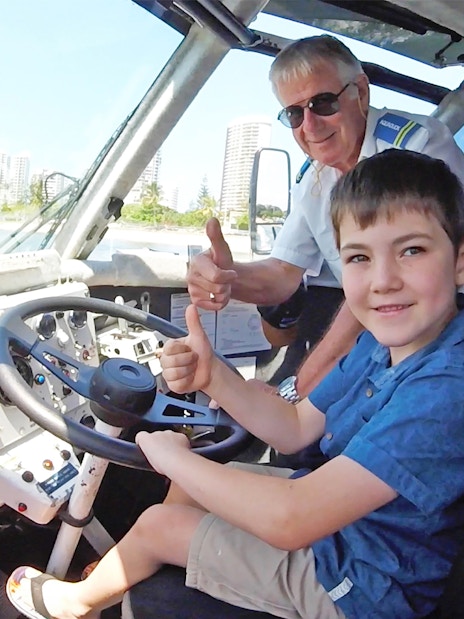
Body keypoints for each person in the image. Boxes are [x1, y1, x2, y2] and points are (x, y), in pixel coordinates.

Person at [7, 149, 464, 619]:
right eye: (359, 257)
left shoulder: (445, 389)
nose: (383, 280)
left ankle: (73, 604)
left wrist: (172, 459)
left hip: (365, 585)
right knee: (188, 495)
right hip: (351, 534)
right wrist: (213, 377)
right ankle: (134, 570)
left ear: (460, 261)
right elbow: (297, 425)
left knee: (161, 523)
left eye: (412, 250)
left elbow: (293, 519)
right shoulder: (381, 344)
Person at [187, 34, 464, 399]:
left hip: (435, 325)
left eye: (324, 103)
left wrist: (297, 390)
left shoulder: (415, 147)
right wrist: (226, 277)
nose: (310, 126)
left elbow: (379, 286)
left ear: (361, 93)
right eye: (295, 113)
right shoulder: (315, 178)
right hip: (377, 322)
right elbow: (283, 274)